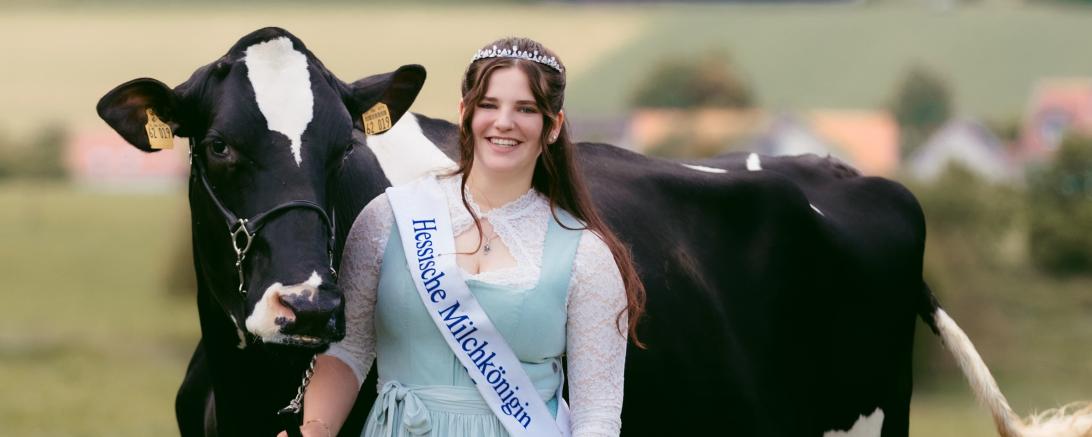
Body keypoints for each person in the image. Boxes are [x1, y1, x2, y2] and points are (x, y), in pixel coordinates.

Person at [290, 36, 645, 437]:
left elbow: (596, 415)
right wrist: (316, 427)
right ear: (464, 113)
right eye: (489, 105)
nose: (504, 122)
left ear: (553, 126)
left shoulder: (587, 256)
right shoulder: (388, 219)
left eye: (525, 109)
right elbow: (349, 350)